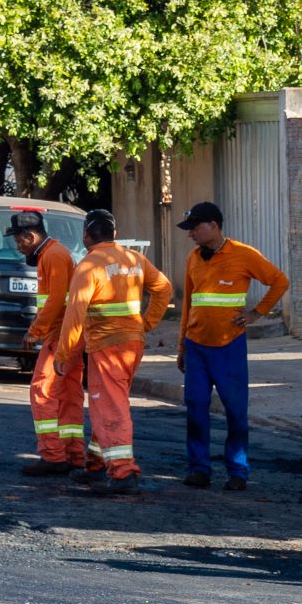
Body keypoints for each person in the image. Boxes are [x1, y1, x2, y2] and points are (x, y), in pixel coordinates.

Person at [53, 209, 173, 495]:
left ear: (86, 235)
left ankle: (122, 473)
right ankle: (96, 464)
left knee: (109, 406)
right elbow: (164, 289)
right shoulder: (133, 258)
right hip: (132, 343)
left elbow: (75, 313)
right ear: (114, 234)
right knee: (107, 402)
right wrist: (147, 323)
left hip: (107, 345)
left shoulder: (89, 265)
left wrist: (63, 353)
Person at [175, 201, 289, 492]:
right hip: (196, 346)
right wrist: (181, 347)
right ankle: (199, 469)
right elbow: (188, 303)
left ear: (213, 225)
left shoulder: (243, 255)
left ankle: (238, 471)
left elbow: (279, 281)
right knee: (196, 408)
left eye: (195, 228)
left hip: (229, 347)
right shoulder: (193, 259)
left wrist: (256, 314)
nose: (191, 235)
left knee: (236, 412)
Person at [11, 209, 83, 477]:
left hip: (59, 335)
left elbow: (54, 301)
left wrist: (35, 331)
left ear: (30, 236)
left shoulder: (52, 256)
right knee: (68, 395)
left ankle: (53, 455)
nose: (18, 247)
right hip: (68, 333)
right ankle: (73, 453)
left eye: (19, 241)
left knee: (42, 391)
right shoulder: (54, 254)